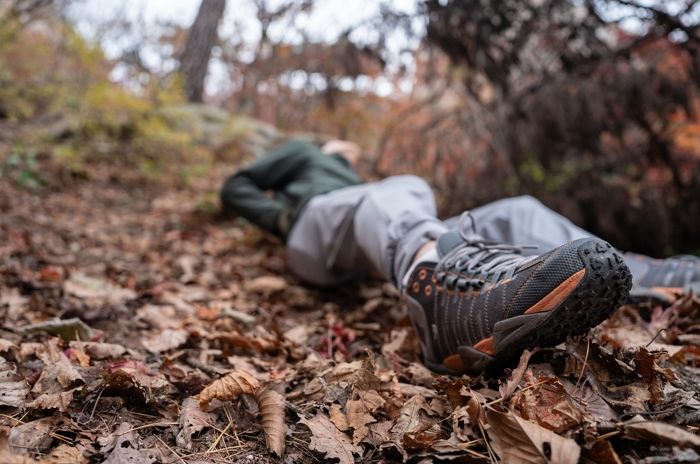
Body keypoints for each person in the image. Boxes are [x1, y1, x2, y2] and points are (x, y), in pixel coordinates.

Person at [221, 139, 700, 375]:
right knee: (400, 188)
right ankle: (437, 292)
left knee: (517, 212)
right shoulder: (305, 153)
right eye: (342, 149)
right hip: (314, 230)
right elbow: (235, 184)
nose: (346, 152)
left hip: (368, 232)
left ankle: (646, 271)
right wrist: (279, 220)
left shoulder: (355, 178)